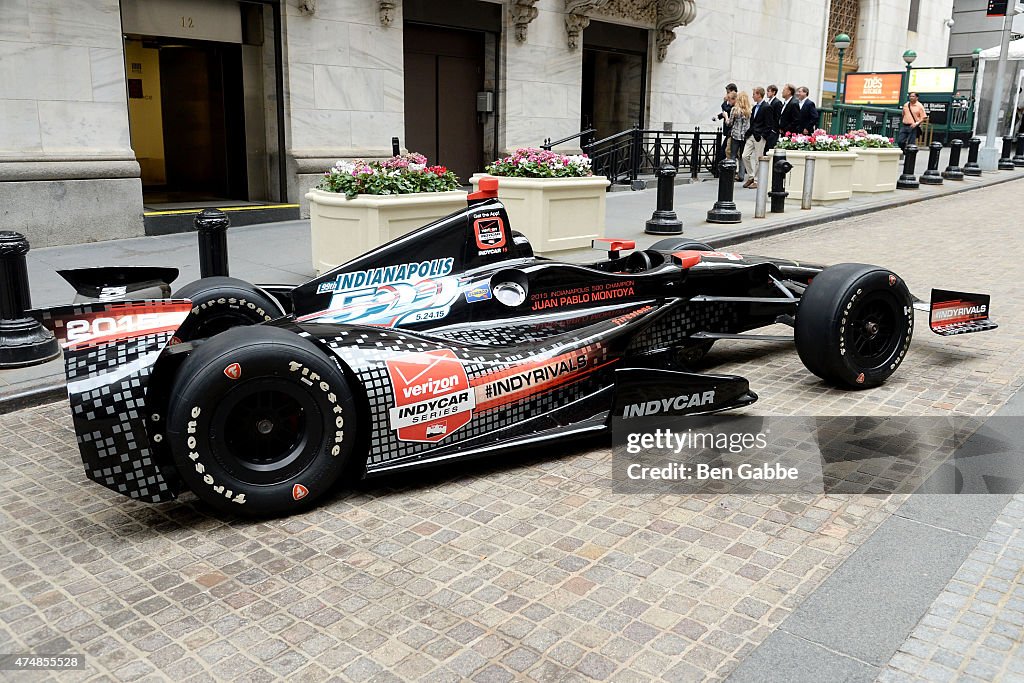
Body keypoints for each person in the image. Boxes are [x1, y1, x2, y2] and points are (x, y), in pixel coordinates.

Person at [743, 87, 770, 188]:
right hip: (751, 135)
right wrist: (747, 134)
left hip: (760, 136)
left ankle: (757, 181)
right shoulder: (754, 108)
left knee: (759, 159)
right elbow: (752, 123)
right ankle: (751, 176)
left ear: (759, 94)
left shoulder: (767, 107)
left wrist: (763, 136)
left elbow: (769, 124)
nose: (752, 96)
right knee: (744, 156)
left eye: (754, 94)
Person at [727, 91, 753, 182]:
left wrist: (725, 117)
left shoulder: (735, 109)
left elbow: (729, 123)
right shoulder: (750, 110)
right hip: (745, 136)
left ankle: (731, 174)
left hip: (735, 135)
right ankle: (741, 175)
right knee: (742, 156)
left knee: (733, 155)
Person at [715, 83, 738, 157]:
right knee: (725, 150)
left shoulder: (736, 102)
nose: (727, 95)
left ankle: (719, 166)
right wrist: (718, 117)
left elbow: (727, 109)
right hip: (728, 130)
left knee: (725, 151)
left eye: (728, 92)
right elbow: (726, 112)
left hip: (732, 131)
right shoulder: (730, 102)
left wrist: (725, 102)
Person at [764, 85, 782, 151]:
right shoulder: (768, 102)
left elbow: (777, 117)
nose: (767, 93)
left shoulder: (777, 102)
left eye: (769, 91)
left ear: (774, 92)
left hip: (772, 130)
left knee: (770, 148)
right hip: (767, 130)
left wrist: (774, 129)